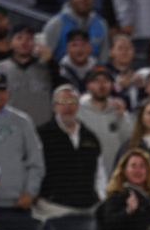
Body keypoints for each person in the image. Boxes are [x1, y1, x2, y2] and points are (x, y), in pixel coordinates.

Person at [0, 72, 44, 230]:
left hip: (16, 205)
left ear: (8, 93)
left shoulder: (23, 121)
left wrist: (30, 192)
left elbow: (36, 161)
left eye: (2, 90)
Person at [35, 85, 103, 222]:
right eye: (63, 102)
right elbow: (34, 168)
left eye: (72, 102)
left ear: (78, 105)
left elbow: (100, 173)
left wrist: (102, 198)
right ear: (54, 106)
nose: (68, 107)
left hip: (88, 208)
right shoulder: (41, 134)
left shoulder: (90, 136)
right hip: (52, 208)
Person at [0, 24, 60, 126]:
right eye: (19, 38)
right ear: (11, 43)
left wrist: (50, 61)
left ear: (35, 43)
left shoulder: (47, 66)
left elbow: (60, 89)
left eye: (29, 39)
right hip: (10, 126)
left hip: (44, 127)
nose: (24, 42)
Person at [77, 66, 133, 181]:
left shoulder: (120, 111)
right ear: (88, 85)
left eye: (105, 81)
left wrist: (121, 117)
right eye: (96, 81)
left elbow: (128, 141)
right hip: (85, 175)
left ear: (112, 85)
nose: (101, 85)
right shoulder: (78, 111)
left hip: (114, 175)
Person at [42, 0, 109, 63]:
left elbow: (104, 59)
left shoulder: (101, 24)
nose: (83, 0)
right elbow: (44, 55)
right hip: (60, 72)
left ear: (93, 1)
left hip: (93, 73)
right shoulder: (56, 23)